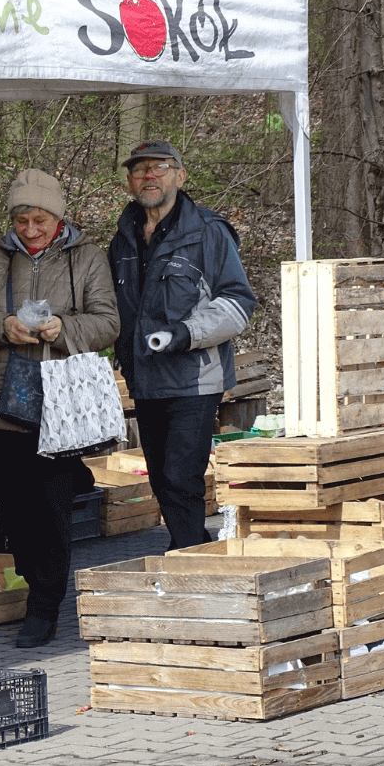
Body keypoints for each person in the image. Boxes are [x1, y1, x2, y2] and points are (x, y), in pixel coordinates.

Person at [0, 169, 120, 648]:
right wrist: (2, 326)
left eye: (39, 219)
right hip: (4, 398)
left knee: (50, 508)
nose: (29, 229)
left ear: (58, 218)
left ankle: (45, 606)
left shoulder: (87, 258)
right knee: (12, 503)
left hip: (61, 404)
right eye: (22, 219)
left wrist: (62, 329)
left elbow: (108, 323)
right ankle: (33, 582)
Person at [107, 140, 256, 550]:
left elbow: (238, 302)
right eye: (140, 171)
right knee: (161, 477)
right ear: (128, 183)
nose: (149, 177)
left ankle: (187, 555)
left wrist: (187, 333)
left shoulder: (208, 232)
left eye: (159, 168)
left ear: (180, 176)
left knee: (180, 475)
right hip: (144, 379)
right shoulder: (122, 241)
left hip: (194, 378)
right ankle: (194, 549)